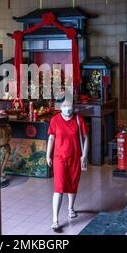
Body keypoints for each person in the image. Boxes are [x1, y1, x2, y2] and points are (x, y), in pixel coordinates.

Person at [47, 99, 89, 231]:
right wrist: (48, 154)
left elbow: (86, 137)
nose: (67, 108)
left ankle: (71, 208)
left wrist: (84, 155)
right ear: (60, 107)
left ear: (73, 106)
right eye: (64, 105)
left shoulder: (79, 119)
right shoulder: (55, 120)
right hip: (59, 158)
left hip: (75, 158)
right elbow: (52, 138)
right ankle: (55, 220)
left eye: (69, 105)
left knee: (72, 184)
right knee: (59, 188)